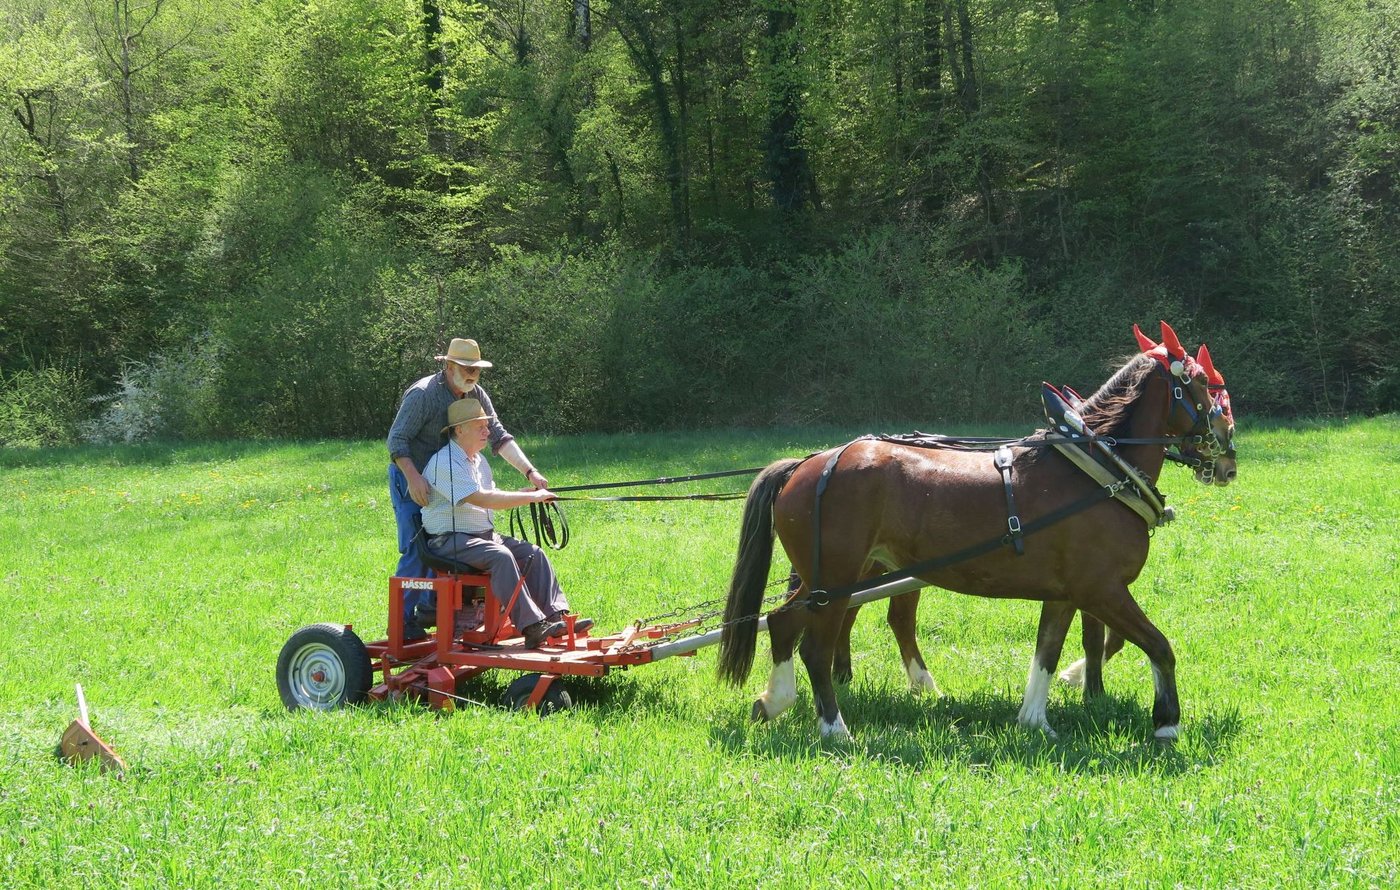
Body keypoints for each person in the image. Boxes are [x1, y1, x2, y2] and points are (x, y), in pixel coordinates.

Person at [386, 338, 549, 638]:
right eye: (466, 367)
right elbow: (396, 441)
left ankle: (434, 609)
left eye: (476, 368)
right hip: (411, 473)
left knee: (458, 542)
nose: (472, 373)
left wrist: (530, 472)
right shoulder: (423, 395)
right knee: (418, 548)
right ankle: (403, 621)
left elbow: (498, 436)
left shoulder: (477, 395)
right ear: (448, 366)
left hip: (453, 472)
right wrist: (413, 476)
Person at [422, 398, 592, 648]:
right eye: (480, 426)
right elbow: (482, 498)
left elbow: (491, 491)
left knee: (533, 554)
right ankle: (532, 627)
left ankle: (557, 617)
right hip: (448, 539)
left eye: (487, 426)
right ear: (460, 430)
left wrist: (525, 493)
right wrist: (531, 497)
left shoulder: (479, 461)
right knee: (500, 556)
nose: (487, 432)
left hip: (480, 536)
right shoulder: (444, 462)